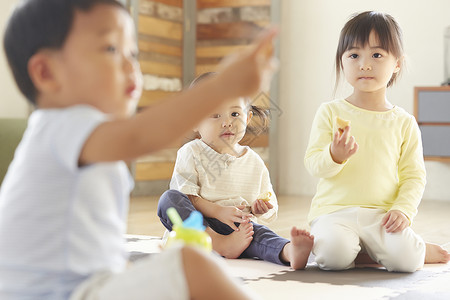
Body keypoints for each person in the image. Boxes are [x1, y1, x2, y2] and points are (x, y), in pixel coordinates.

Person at [0, 0, 278, 299]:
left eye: (133, 53)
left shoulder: (84, 140)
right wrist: (222, 87)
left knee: (171, 268)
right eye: (110, 49)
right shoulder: (63, 125)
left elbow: (96, 242)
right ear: (46, 72)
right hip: (56, 293)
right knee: (190, 265)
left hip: (81, 286)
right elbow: (141, 135)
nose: (130, 64)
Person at [304, 11, 450, 273]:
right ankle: (365, 252)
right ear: (342, 62)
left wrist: (403, 211)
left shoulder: (404, 122)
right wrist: (334, 155)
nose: (365, 64)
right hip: (333, 212)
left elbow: (414, 176)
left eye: (377, 55)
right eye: (354, 55)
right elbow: (314, 165)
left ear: (397, 64)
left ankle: (413, 249)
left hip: (382, 216)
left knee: (407, 262)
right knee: (334, 258)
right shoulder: (329, 112)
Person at [157, 72, 314, 270]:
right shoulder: (191, 152)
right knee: (169, 199)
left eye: (235, 114)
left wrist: (263, 207)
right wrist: (218, 212)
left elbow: (270, 203)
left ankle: (289, 251)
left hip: (237, 231)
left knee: (260, 234)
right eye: (215, 115)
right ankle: (216, 243)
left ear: (247, 118)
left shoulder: (254, 162)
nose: (227, 122)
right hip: (198, 227)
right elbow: (187, 196)